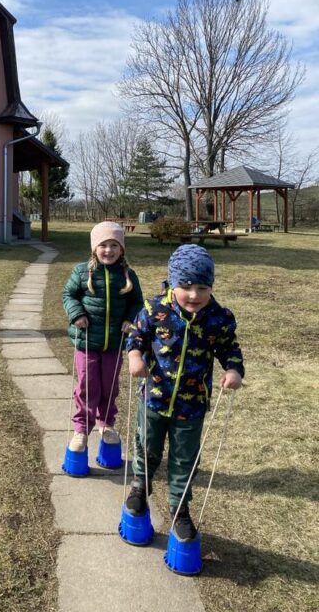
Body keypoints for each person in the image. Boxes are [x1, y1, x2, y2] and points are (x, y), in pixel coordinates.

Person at [125, 244, 244, 541]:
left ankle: (179, 507)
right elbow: (137, 336)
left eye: (202, 288)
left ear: (211, 286)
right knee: (147, 447)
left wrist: (234, 370)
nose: (194, 295)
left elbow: (229, 348)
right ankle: (140, 486)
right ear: (172, 283)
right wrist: (135, 356)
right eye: (186, 287)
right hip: (154, 398)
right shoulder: (155, 309)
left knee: (184, 459)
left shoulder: (218, 317)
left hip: (191, 406)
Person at [63, 221, 144, 454]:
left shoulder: (128, 275)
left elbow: (137, 302)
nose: (108, 250)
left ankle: (106, 424)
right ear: (94, 248)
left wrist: (130, 319)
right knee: (87, 385)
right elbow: (69, 295)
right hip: (87, 341)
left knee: (110, 385)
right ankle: (81, 429)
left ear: (122, 249)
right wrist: (76, 314)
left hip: (114, 343)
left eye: (114, 245)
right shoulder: (82, 272)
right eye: (103, 245)